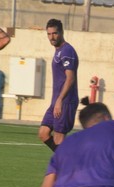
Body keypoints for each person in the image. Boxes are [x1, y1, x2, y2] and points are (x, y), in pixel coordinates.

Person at [38, 19, 79, 152]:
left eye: (55, 33)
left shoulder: (67, 51)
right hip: (56, 101)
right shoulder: (59, 50)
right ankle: (71, 160)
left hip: (65, 101)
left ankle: (64, 168)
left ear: (61, 32)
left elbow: (70, 78)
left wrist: (60, 100)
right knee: (43, 133)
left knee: (58, 139)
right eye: (49, 34)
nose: (52, 37)